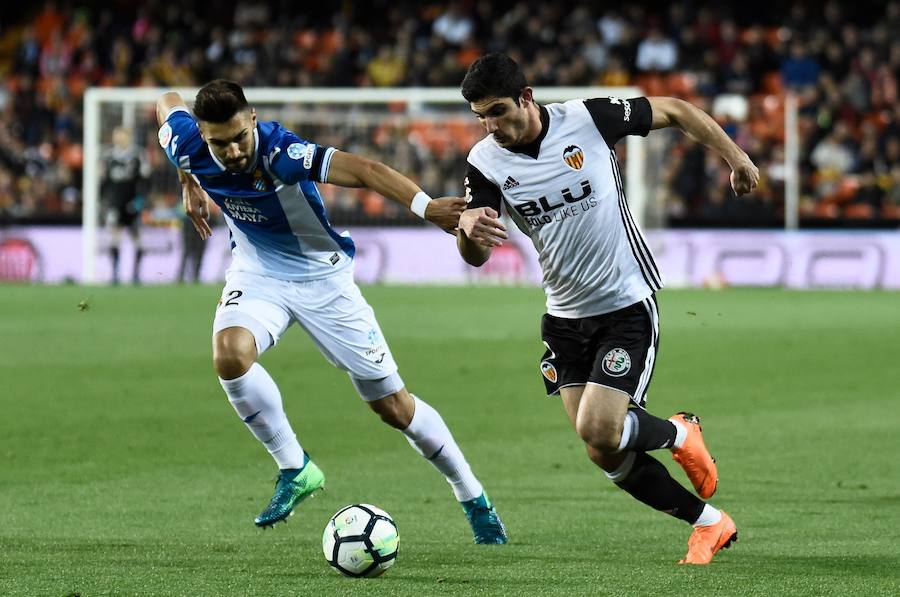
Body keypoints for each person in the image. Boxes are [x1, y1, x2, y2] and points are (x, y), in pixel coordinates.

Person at [155, 79, 506, 543]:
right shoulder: (187, 143)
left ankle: (473, 497)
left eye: (240, 137)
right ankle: (295, 467)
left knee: (394, 408)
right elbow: (166, 103)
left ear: (253, 119)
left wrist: (426, 208)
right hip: (258, 273)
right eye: (220, 143)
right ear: (202, 135)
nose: (234, 151)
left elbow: (363, 169)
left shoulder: (281, 153)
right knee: (229, 356)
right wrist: (189, 183)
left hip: (325, 280)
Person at [455, 53, 760, 564]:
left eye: (499, 111)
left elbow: (678, 110)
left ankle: (681, 433)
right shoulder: (484, 162)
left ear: (526, 98)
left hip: (625, 302)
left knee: (599, 428)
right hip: (563, 314)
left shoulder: (588, 119)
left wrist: (738, 159)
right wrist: (468, 234)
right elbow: (476, 252)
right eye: (481, 116)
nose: (492, 125)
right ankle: (710, 523)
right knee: (603, 450)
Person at [101, 126, 148, 285]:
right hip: (115, 204)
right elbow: (104, 182)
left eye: (122, 136)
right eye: (117, 136)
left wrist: (141, 200)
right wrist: (105, 201)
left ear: (129, 137)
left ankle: (136, 274)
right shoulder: (108, 157)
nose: (119, 139)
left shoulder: (138, 156)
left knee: (137, 237)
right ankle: (115, 274)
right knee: (114, 237)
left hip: (133, 203)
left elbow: (146, 180)